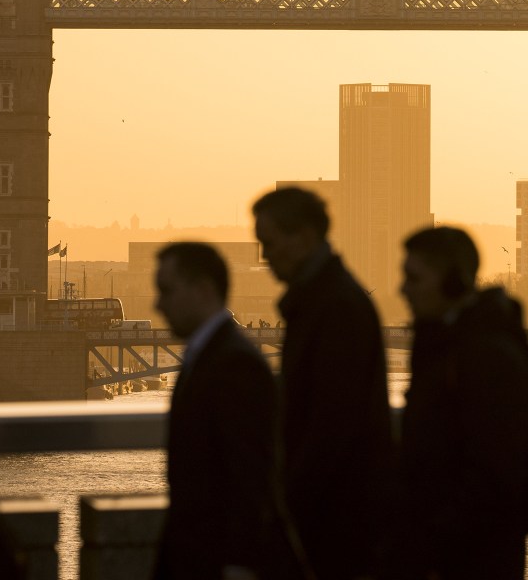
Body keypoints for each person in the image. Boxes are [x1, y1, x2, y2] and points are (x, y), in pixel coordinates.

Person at [253, 187, 390, 580]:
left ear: (305, 238)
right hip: (338, 518)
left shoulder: (332, 308)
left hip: (334, 525)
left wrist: (286, 504)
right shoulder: (331, 301)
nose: (265, 257)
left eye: (270, 243)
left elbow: (330, 426)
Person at [153, 242, 297, 580]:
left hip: (214, 561)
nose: (157, 303)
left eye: (166, 290)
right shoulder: (215, 355)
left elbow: (251, 477)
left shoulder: (235, 364)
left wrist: (240, 563)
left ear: (203, 289)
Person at [396, 226, 528, 579]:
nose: (403, 289)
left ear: (453, 282)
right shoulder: (453, 347)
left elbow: (492, 474)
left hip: (468, 558)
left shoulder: (484, 356)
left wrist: (426, 542)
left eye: (414, 278)